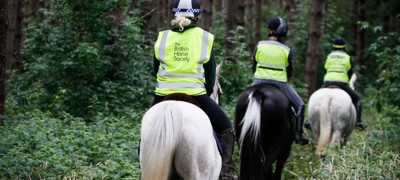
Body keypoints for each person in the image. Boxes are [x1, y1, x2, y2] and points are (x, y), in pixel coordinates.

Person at [151, 0, 237, 179]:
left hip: (163, 94)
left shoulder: (163, 37)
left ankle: (145, 170)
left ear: (175, 14)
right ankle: (225, 172)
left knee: (148, 129)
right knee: (226, 129)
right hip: (195, 93)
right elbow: (211, 75)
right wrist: (205, 90)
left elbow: (155, 69)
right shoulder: (205, 37)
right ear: (196, 16)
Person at [251, 16, 310, 145]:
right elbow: (290, 71)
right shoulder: (287, 50)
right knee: (300, 105)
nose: (267, 29)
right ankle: (298, 135)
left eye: (269, 28)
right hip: (280, 83)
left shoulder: (260, 45)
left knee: (245, 101)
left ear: (272, 31)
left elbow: (253, 65)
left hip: (258, 81)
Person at [320, 37, 366, 130]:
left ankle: (309, 120)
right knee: (357, 99)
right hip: (341, 83)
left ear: (333, 46)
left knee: (315, 97)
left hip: (328, 82)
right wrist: (348, 82)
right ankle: (358, 122)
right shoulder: (347, 57)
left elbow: (326, 68)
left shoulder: (329, 56)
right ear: (344, 47)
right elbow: (350, 72)